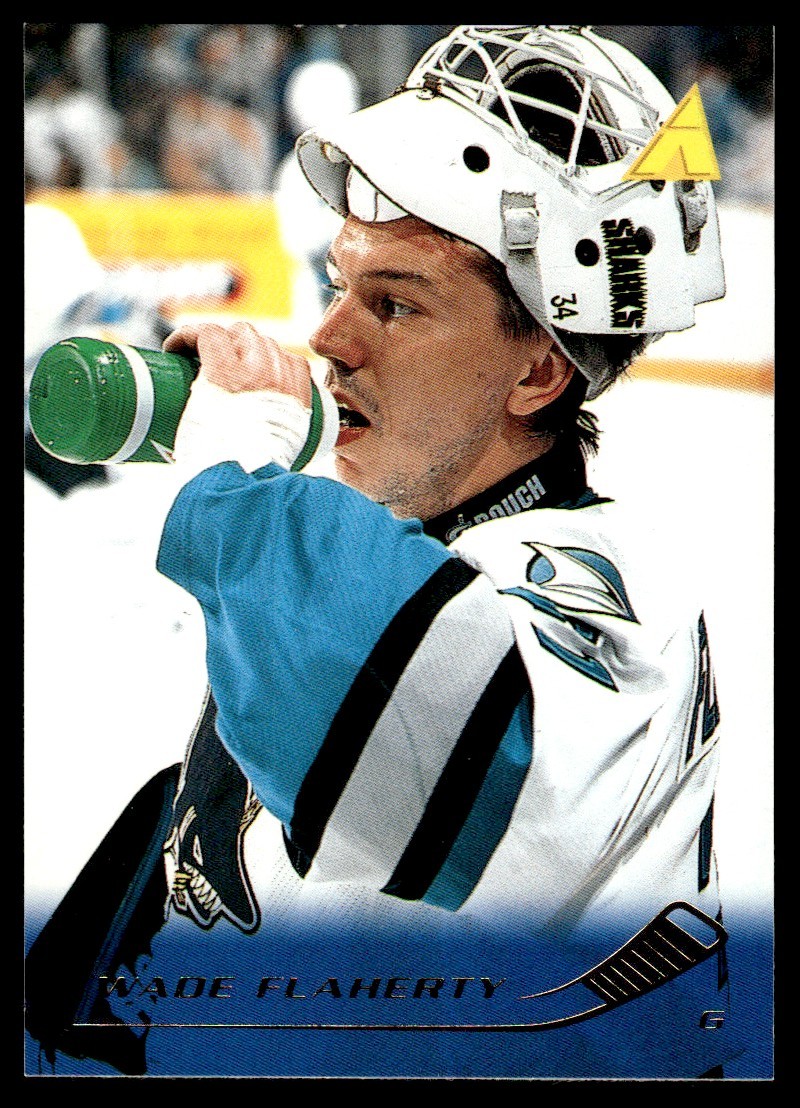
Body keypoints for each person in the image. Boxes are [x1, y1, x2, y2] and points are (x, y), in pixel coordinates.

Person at [26, 26, 743, 1079]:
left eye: (396, 304)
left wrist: (243, 477)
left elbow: (402, 724)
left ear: (537, 372)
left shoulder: (614, 602)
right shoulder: (394, 556)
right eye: (339, 287)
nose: (328, 340)